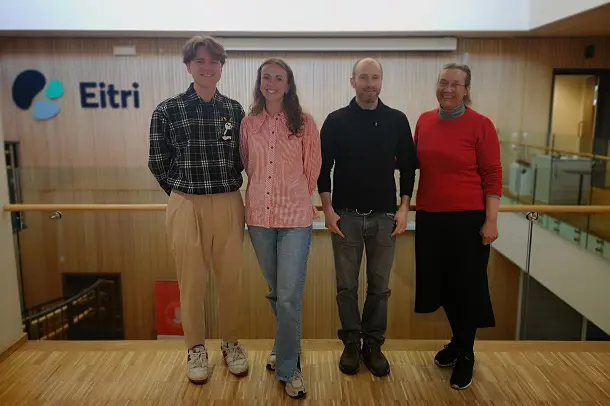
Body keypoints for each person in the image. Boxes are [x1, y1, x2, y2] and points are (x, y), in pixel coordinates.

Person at [148, 35, 249, 385]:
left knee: (231, 280)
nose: (208, 68)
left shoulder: (234, 110)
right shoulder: (167, 109)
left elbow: (244, 158)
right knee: (190, 283)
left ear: (221, 67)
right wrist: (182, 194)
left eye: (214, 62)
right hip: (185, 202)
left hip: (228, 201)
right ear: (189, 66)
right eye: (200, 61)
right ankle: (195, 349)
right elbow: (157, 161)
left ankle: (231, 343)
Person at [317, 58, 417, 377]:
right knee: (346, 286)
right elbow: (322, 169)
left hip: (385, 217)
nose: (369, 83)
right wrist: (328, 209)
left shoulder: (397, 120)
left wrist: (404, 208)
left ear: (381, 82)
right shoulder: (335, 121)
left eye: (375, 77)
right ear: (353, 82)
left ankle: (372, 345)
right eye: (363, 77)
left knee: (379, 288)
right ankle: (350, 343)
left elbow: (408, 168)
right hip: (344, 217)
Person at [413, 63, 502, 390]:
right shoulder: (424, 121)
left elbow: (493, 174)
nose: (447, 89)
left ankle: (466, 353)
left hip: (468, 220)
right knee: (442, 286)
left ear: (466, 89)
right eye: (443, 82)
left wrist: (491, 220)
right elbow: (411, 161)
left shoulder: (481, 125)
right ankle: (458, 341)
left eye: (455, 84)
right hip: (430, 217)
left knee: (466, 288)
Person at [240, 58, 321, 399]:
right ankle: (283, 346)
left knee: (288, 297)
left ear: (289, 85)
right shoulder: (248, 123)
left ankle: (289, 367)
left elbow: (311, 168)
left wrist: (295, 197)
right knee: (277, 292)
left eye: (279, 78)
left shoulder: (304, 123)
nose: (271, 83)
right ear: (260, 83)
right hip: (259, 218)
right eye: (266, 77)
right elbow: (248, 165)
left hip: (295, 221)